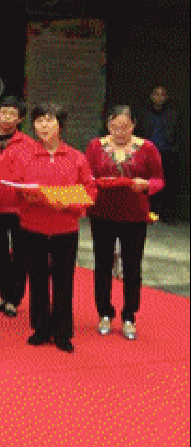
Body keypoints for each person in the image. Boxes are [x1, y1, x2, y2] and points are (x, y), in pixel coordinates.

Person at [2, 103, 95, 354]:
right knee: (38, 279)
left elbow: (89, 191)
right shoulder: (25, 156)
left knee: (64, 281)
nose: (43, 125)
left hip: (65, 228)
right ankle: (41, 328)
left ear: (60, 125)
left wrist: (67, 202)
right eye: (39, 121)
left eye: (49, 120)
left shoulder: (76, 157)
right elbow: (13, 187)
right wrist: (25, 196)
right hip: (33, 227)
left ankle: (63, 332)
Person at [85, 105, 164, 341]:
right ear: (108, 126)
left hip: (135, 216)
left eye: (125, 127)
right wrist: (94, 184)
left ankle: (129, 315)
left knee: (132, 266)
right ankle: (104, 312)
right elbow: (86, 176)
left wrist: (147, 185)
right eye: (115, 127)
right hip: (102, 214)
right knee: (102, 265)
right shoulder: (96, 146)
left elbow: (159, 179)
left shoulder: (146, 147)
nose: (120, 132)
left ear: (133, 126)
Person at [0, 96, 34, 318]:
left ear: (20, 119)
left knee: (20, 255)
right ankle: (3, 295)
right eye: (3, 112)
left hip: (19, 208)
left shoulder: (28, 144)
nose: (6, 118)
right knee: (0, 254)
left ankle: (14, 299)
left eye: (12, 114)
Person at [136, 86, 182, 223]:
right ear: (151, 96)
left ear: (166, 97)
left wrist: (174, 148)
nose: (159, 97)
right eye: (156, 94)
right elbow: (139, 132)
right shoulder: (144, 114)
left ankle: (168, 215)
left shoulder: (173, 114)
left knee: (169, 184)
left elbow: (179, 134)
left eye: (162, 95)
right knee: (148, 184)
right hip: (148, 154)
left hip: (168, 153)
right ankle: (149, 212)